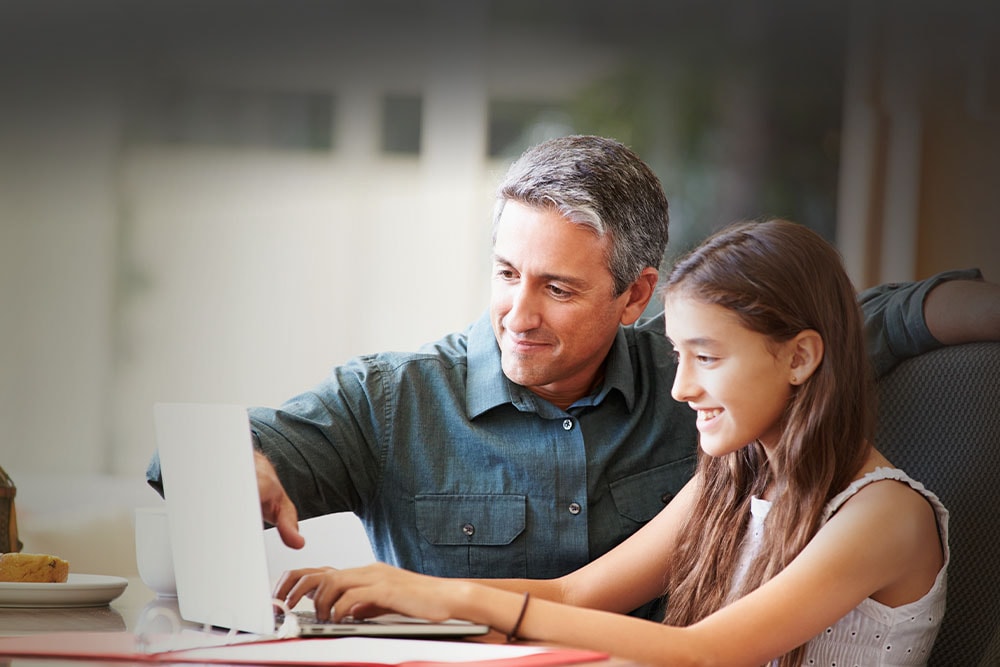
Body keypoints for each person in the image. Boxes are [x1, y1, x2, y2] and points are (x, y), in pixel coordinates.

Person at [146, 135, 993, 600]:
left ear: (635, 297)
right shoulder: (393, 398)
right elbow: (209, 455)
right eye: (507, 274)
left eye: (557, 287)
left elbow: (889, 315)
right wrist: (237, 461)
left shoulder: (702, 381)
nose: (519, 313)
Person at [275, 219, 949, 667]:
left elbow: (705, 652)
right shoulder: (733, 480)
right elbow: (572, 595)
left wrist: (457, 601)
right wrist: (403, 594)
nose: (681, 388)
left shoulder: (882, 515)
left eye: (706, 359)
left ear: (800, 357)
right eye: (678, 356)